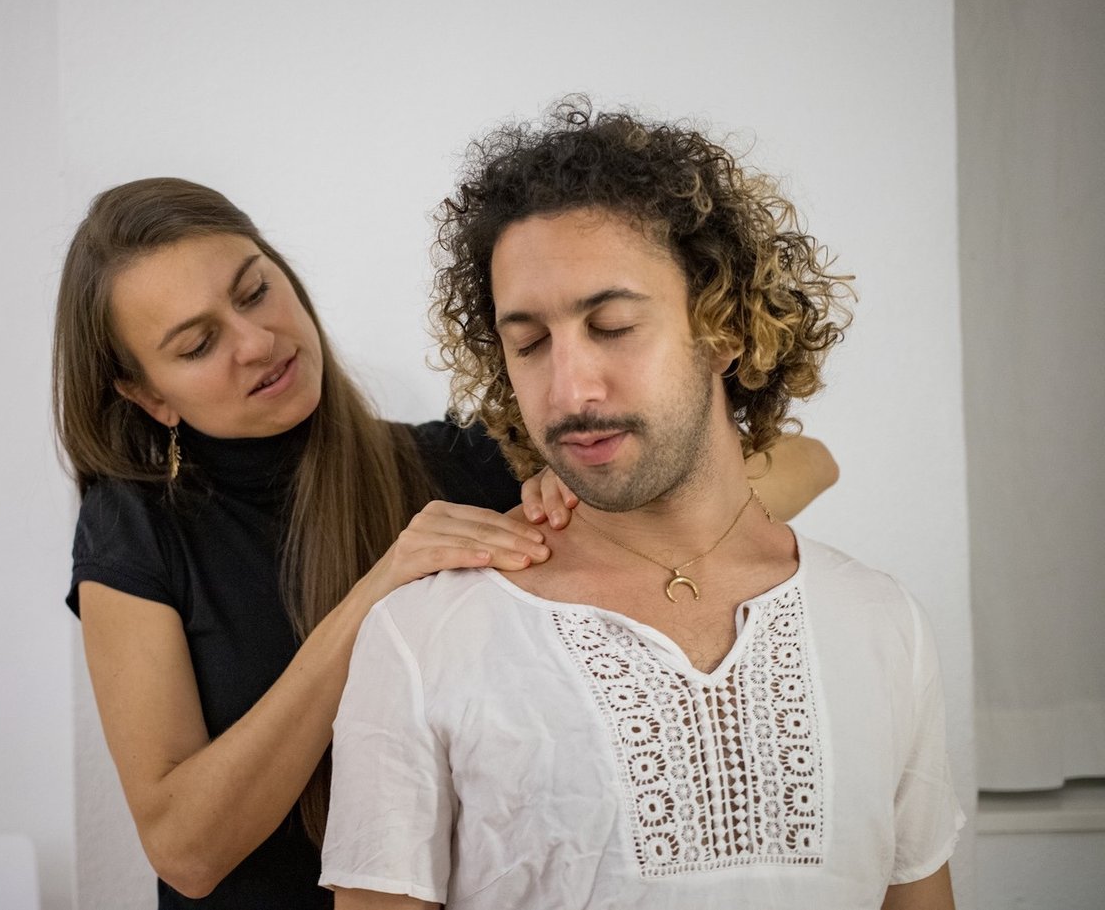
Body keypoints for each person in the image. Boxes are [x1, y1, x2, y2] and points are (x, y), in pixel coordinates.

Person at [53, 176, 839, 909]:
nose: (258, 341)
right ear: (147, 395)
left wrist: (584, 515)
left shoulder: (452, 464)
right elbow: (187, 849)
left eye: (257, 290)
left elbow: (806, 461)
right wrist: (379, 590)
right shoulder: (134, 526)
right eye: (197, 344)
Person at [321, 103, 964, 910]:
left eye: (614, 326)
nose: (569, 389)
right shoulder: (425, 641)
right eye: (529, 343)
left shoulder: (883, 625)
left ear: (722, 327)